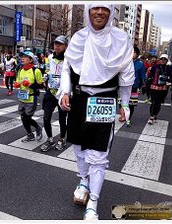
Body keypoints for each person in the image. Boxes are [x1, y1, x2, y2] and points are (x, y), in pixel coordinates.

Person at [57, 5, 135, 220]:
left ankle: (94, 201)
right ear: (87, 12)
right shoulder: (79, 37)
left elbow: (126, 74)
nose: (99, 12)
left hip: (104, 99)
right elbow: (67, 66)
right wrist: (65, 91)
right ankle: (83, 179)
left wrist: (125, 104)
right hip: (79, 98)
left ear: (110, 13)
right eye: (95, 8)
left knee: (98, 155)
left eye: (104, 9)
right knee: (79, 147)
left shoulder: (120, 38)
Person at [40, 35, 68, 152]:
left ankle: (62, 139)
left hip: (63, 93)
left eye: (60, 44)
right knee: (46, 118)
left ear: (66, 46)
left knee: (62, 119)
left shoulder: (69, 59)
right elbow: (48, 70)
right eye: (56, 43)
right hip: (51, 91)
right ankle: (50, 139)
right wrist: (45, 78)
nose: (57, 46)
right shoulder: (50, 57)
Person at [14, 51, 44, 142]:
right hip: (22, 97)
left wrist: (30, 85)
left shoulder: (36, 71)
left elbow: (41, 85)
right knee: (23, 117)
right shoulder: (20, 70)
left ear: (31, 60)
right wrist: (17, 84)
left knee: (27, 118)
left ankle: (38, 128)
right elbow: (18, 81)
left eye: (25, 57)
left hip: (31, 97)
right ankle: (30, 134)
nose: (22, 58)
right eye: (21, 57)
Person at [119, 46, 145, 127]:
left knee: (131, 104)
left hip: (134, 86)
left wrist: (142, 86)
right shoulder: (124, 62)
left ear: (137, 54)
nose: (132, 54)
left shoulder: (140, 64)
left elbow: (142, 76)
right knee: (121, 102)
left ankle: (128, 117)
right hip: (123, 85)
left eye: (134, 52)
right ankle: (123, 116)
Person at [147, 54, 172, 124]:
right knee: (153, 102)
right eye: (161, 59)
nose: (162, 60)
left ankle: (155, 115)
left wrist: (169, 81)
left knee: (158, 103)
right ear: (159, 60)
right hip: (154, 87)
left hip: (163, 89)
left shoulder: (169, 68)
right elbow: (150, 75)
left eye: (164, 59)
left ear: (167, 61)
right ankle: (151, 116)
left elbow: (171, 77)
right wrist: (147, 84)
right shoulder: (155, 67)